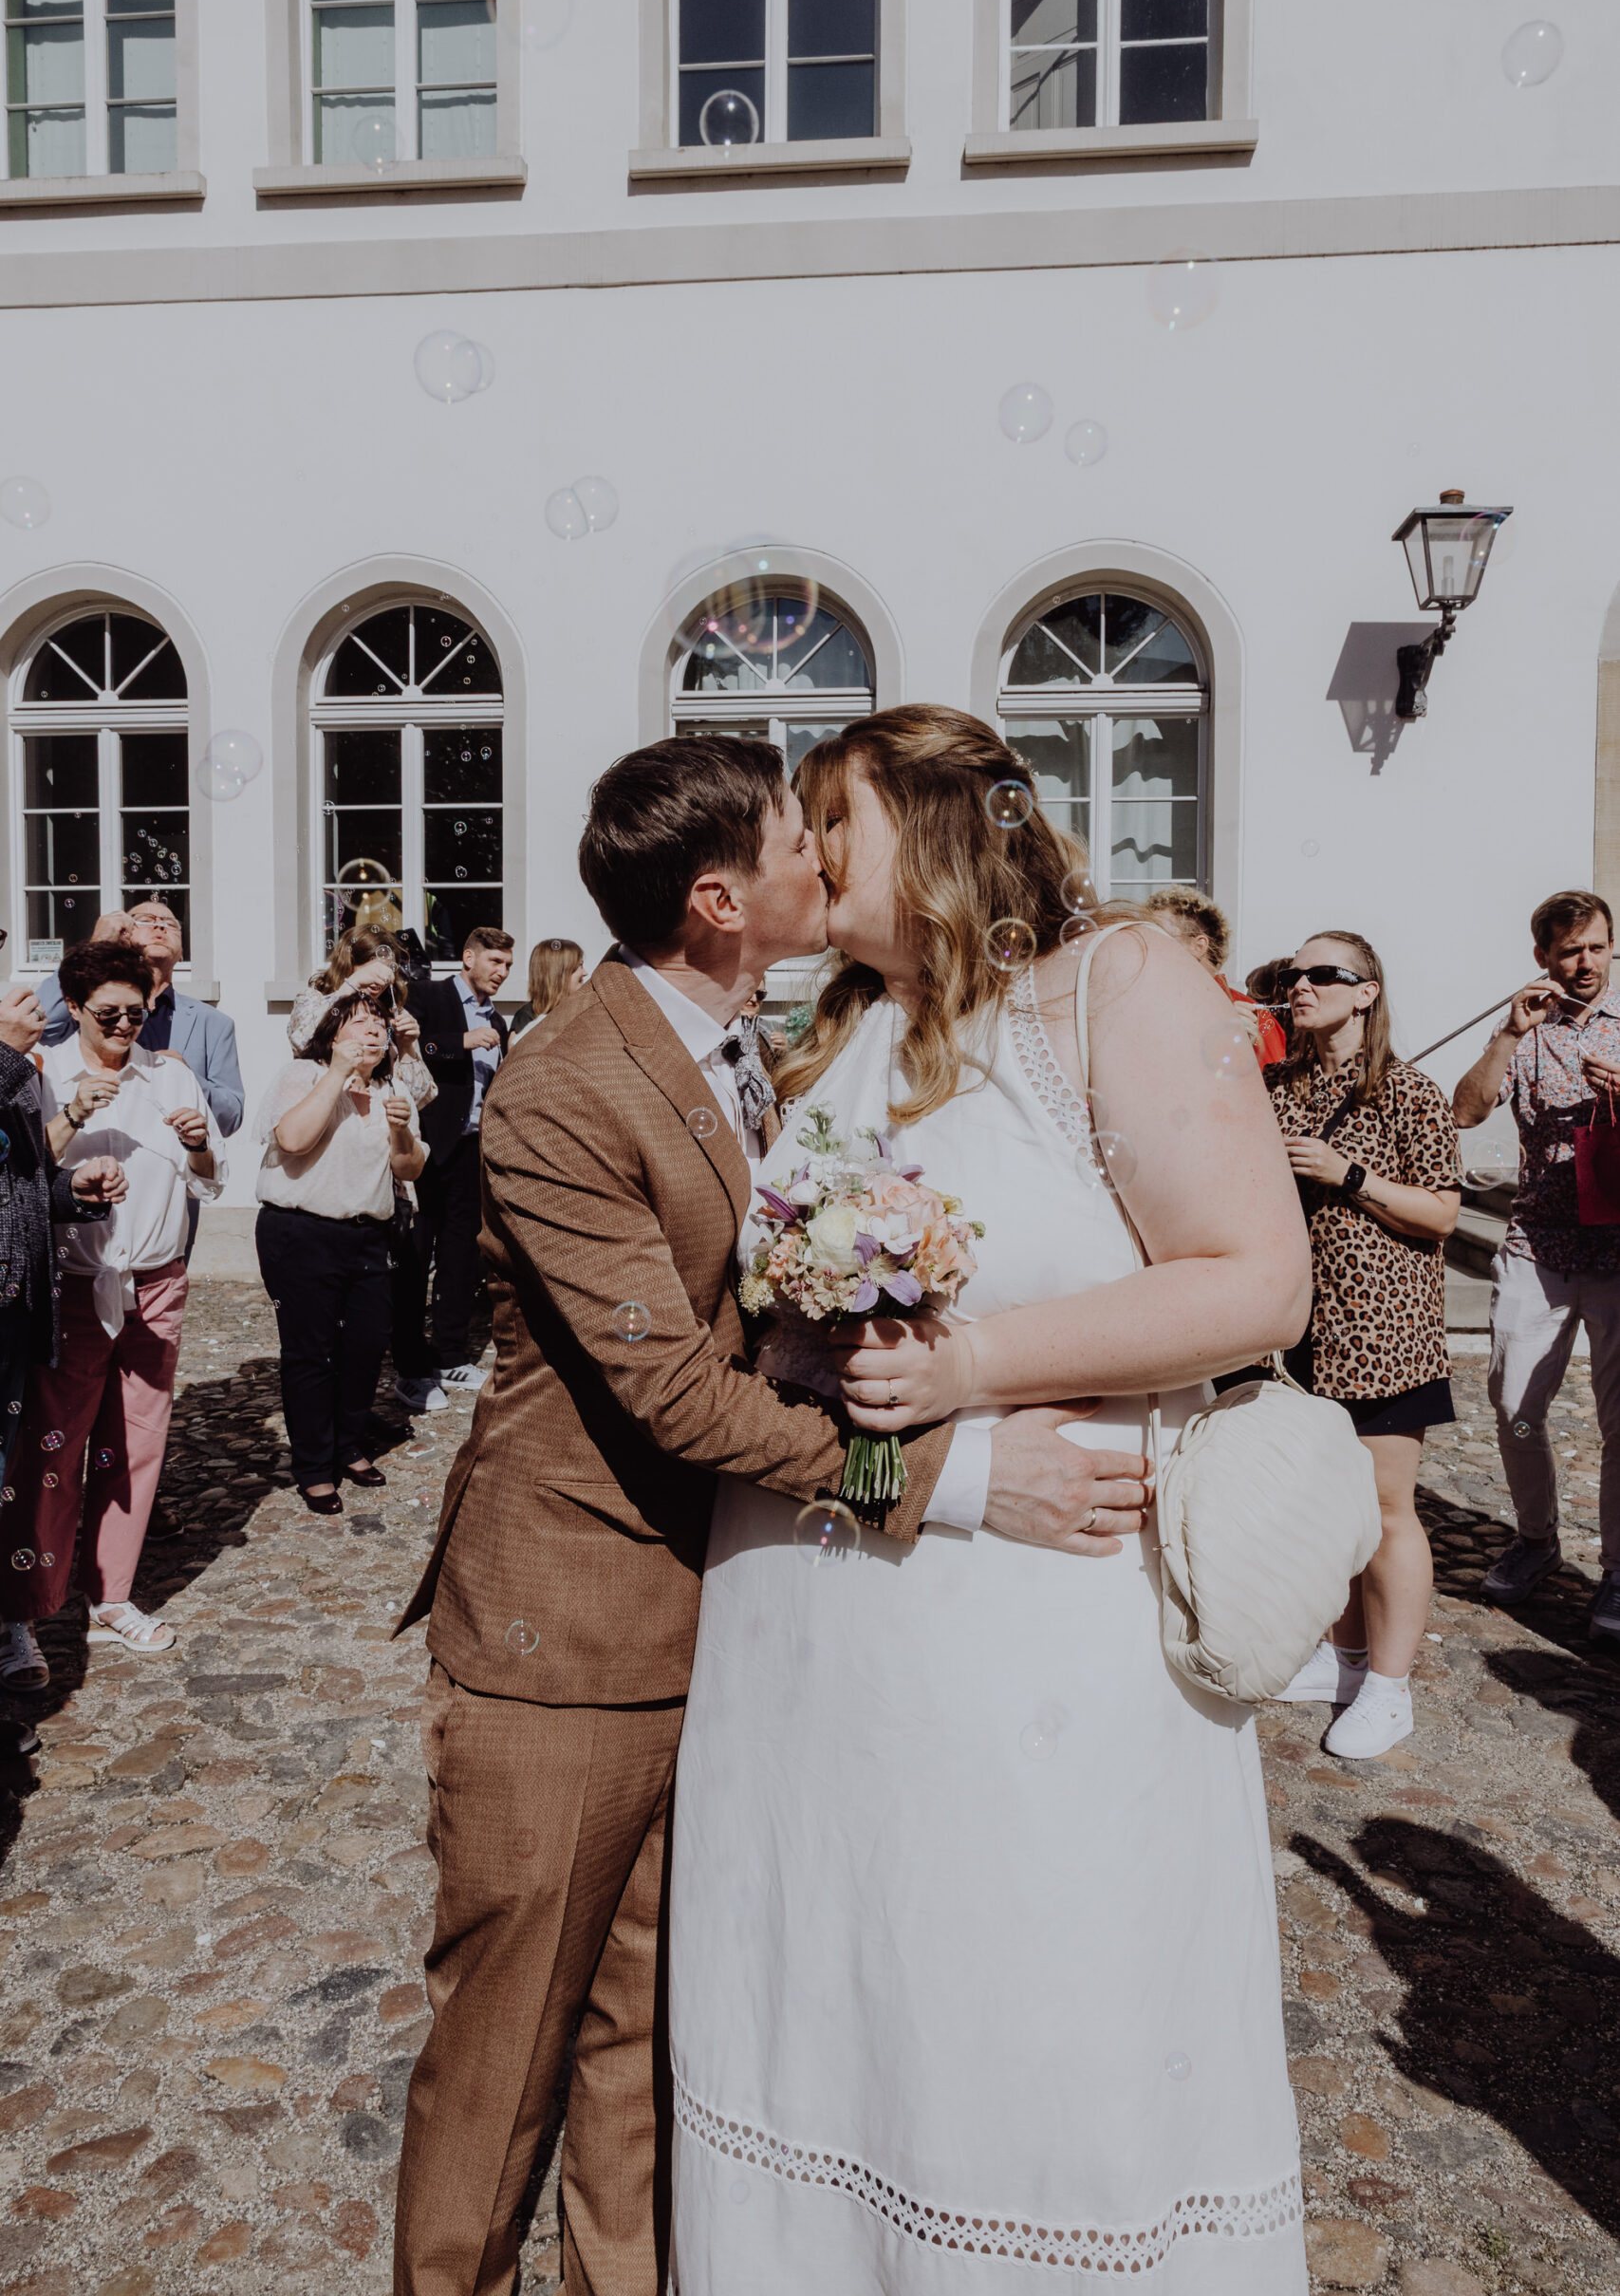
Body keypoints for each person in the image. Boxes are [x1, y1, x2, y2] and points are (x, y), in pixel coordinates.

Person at [391, 734, 1149, 2296]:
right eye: (801, 842)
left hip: (722, 1628)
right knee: (503, 2059)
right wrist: (943, 1478)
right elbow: (672, 1395)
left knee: (640, 2058)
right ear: (724, 899)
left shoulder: (781, 1043)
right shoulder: (561, 1086)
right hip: (562, 1642)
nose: (827, 857)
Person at [665, 709, 1313, 2294]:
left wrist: (976, 1365)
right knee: (826, 1995)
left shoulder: (1116, 984)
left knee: (1019, 2011)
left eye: (833, 816)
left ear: (943, 820)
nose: (805, 851)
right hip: (801, 1644)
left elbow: (1259, 1280)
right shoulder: (830, 1033)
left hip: (1034, 1647)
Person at [0, 939, 226, 1658]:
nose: (125, 1027)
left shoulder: (172, 1075)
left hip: (156, 1283)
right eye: (108, 1015)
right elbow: (22, 1183)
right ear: (73, 1008)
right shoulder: (42, 1070)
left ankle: (114, 1595)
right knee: (51, 1448)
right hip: (71, 1287)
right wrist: (67, 1117)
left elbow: (212, 1180)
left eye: (136, 1012)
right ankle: (23, 1615)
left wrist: (198, 1145)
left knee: (133, 1447)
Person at [1268, 933, 1461, 1757]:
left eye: (1322, 974)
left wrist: (1347, 1174)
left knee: (1385, 1513)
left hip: (1385, 1329)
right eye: (1292, 974)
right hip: (1300, 1330)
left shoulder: (1409, 1091)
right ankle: (1340, 1659)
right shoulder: (1276, 1086)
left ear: (1366, 992)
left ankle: (1387, 1689)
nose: (1300, 984)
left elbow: (1443, 1215)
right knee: (1329, 1509)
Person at [1453, 888, 1620, 1643]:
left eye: (1594, 948)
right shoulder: (1523, 1033)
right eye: (1567, 951)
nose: (1583, 963)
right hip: (1538, 1246)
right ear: (1542, 959)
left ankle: (1617, 1570)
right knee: (1514, 1402)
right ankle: (1535, 1540)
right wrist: (1502, 1036)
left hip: (1619, 1252)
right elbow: (1464, 1111)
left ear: (1610, 947)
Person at [0, 982, 127, 1692]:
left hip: (13, 1317)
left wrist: (73, 1192)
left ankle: (7, 1625)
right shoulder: (13, 1061)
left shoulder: (16, 1069)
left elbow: (18, 1180)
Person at [255, 999, 426, 1517]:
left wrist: (400, 1130)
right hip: (300, 1231)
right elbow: (293, 1140)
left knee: (365, 1348)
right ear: (333, 1035)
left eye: (380, 1024)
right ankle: (313, 1467)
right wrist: (337, 1074)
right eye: (359, 1023)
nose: (374, 1030)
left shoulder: (394, 1091)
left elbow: (410, 1169)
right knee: (311, 1354)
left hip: (369, 1235)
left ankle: (349, 1446)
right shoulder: (302, 1074)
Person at [396, 925, 513, 1403]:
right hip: (423, 1149)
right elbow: (405, 1049)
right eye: (495, 962)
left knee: (461, 1259)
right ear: (468, 958)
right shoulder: (426, 995)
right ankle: (411, 1366)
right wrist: (460, 1042)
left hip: (471, 1152)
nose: (503, 973)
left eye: (507, 965)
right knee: (413, 1256)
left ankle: (450, 1356)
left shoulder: (499, 1022)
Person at [36, 901, 244, 1138]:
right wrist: (95, 948)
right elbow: (42, 1022)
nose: (160, 928)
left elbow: (231, 1119)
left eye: (170, 924)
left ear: (183, 952)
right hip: (94, 1148)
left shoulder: (214, 1023)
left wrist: (186, 1076)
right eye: (146, 920)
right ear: (123, 937)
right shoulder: (89, 1008)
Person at [288, 925, 437, 1109]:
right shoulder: (314, 999)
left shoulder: (394, 1015)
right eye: (373, 968)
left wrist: (406, 1048)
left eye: (387, 970)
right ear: (349, 963)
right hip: (323, 1111)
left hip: (376, 1120)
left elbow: (416, 1098)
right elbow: (302, 1040)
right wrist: (352, 984)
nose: (380, 979)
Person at [1146, 882, 1287, 1067]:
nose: (1146, 948)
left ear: (1198, 946)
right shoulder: (1153, 1009)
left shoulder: (1249, 1013)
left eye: (1157, 937)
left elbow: (1275, 1086)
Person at [508, 936, 586, 1038]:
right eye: (580, 965)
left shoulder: (579, 1012)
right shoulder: (527, 1017)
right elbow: (517, 1052)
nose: (585, 972)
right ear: (559, 973)